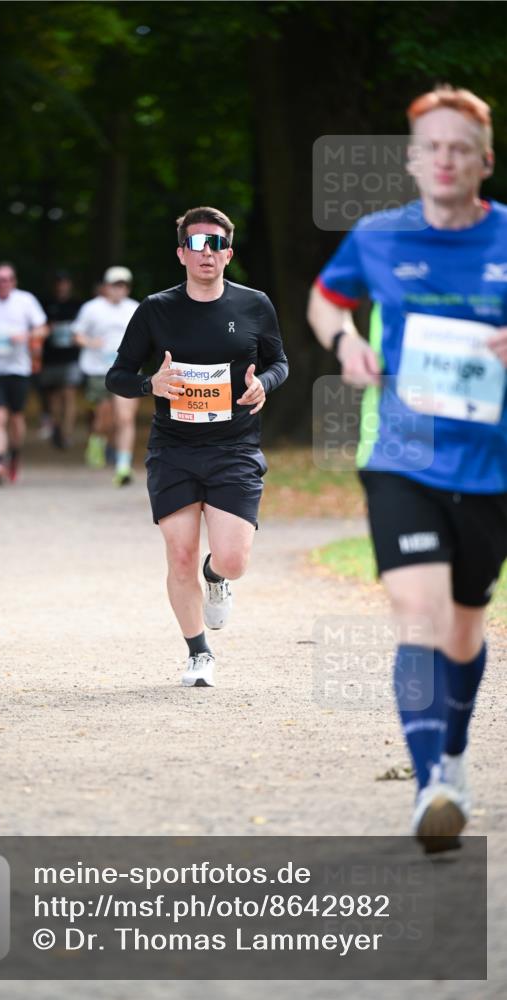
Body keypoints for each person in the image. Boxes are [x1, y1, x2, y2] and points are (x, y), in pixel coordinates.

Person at [307, 86, 507, 851]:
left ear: (483, 161)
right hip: (401, 458)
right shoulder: (377, 237)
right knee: (416, 617)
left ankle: (452, 757)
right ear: (413, 160)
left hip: (491, 467)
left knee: (463, 626)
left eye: (462, 148)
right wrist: (344, 341)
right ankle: (428, 787)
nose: (446, 159)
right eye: (433, 147)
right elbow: (326, 301)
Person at [106, 206, 288, 687]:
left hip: (234, 448)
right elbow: (117, 376)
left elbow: (279, 361)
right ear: (182, 253)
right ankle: (198, 652)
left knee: (232, 559)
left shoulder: (254, 305)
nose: (205, 254)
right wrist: (151, 385)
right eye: (196, 244)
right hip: (174, 448)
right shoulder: (156, 309)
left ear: (228, 253)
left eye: (215, 245)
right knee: (179, 554)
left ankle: (217, 578)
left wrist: (264, 383)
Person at [0, 262, 48, 484]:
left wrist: (26, 336)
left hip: (19, 368)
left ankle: (15, 454)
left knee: (15, 417)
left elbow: (43, 328)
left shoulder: (26, 300)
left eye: (7, 279)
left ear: (13, 281)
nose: (3, 283)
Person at [73, 267, 140, 484]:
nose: (119, 290)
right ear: (106, 287)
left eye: (123, 285)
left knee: (125, 417)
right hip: (97, 370)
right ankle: (97, 439)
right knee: (104, 418)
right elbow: (77, 335)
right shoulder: (91, 308)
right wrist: (92, 343)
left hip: (126, 370)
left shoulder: (135, 308)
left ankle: (123, 465)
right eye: (115, 285)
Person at [41, 270, 83, 449]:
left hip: (71, 358)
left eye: (64, 282)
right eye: (59, 282)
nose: (61, 286)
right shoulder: (46, 304)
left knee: (69, 395)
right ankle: (57, 428)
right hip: (50, 359)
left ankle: (67, 433)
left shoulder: (77, 305)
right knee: (54, 398)